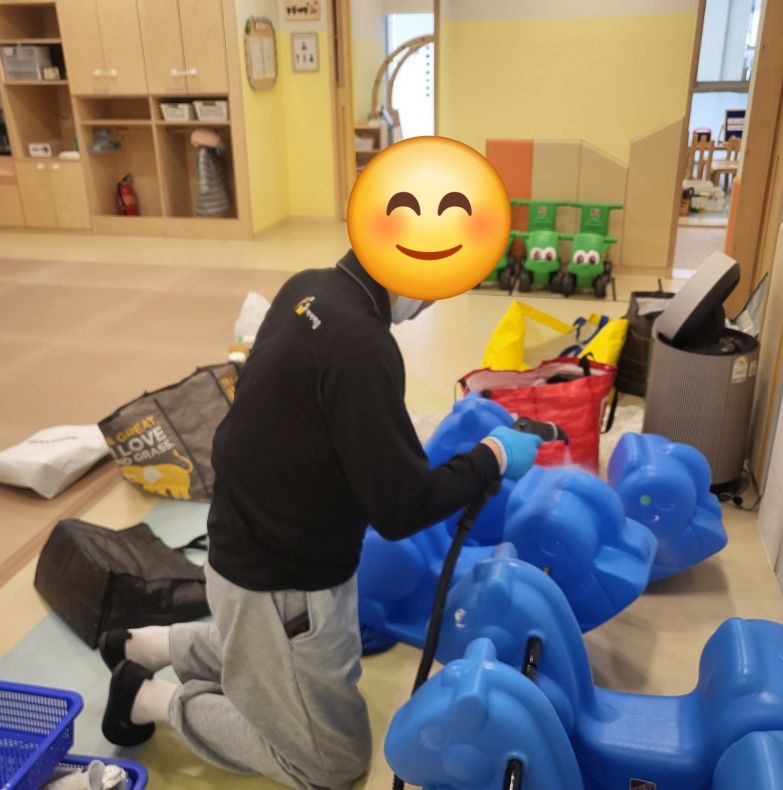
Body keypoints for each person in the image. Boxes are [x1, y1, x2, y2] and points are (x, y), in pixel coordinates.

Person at [99, 249, 541, 789]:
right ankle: (147, 698)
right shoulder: (363, 345)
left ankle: (142, 645)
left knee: (272, 651)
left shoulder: (308, 287)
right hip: (282, 583)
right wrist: (492, 456)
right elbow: (402, 509)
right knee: (332, 765)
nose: (432, 301)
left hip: (244, 539)